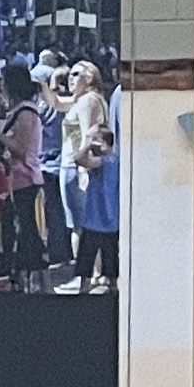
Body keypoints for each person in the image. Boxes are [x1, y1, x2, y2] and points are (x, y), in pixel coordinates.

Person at [57, 60, 121, 291]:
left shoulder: (104, 162)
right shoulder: (89, 100)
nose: (70, 79)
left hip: (98, 216)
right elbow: (56, 102)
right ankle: (98, 277)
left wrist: (87, 144)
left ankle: (89, 277)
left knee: (80, 230)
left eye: (76, 74)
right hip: (107, 217)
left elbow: (82, 153)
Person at [0, 62, 52, 287]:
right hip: (14, 182)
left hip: (26, 181)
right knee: (20, 234)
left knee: (31, 234)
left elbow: (21, 148)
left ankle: (40, 281)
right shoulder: (17, 111)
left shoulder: (27, 113)